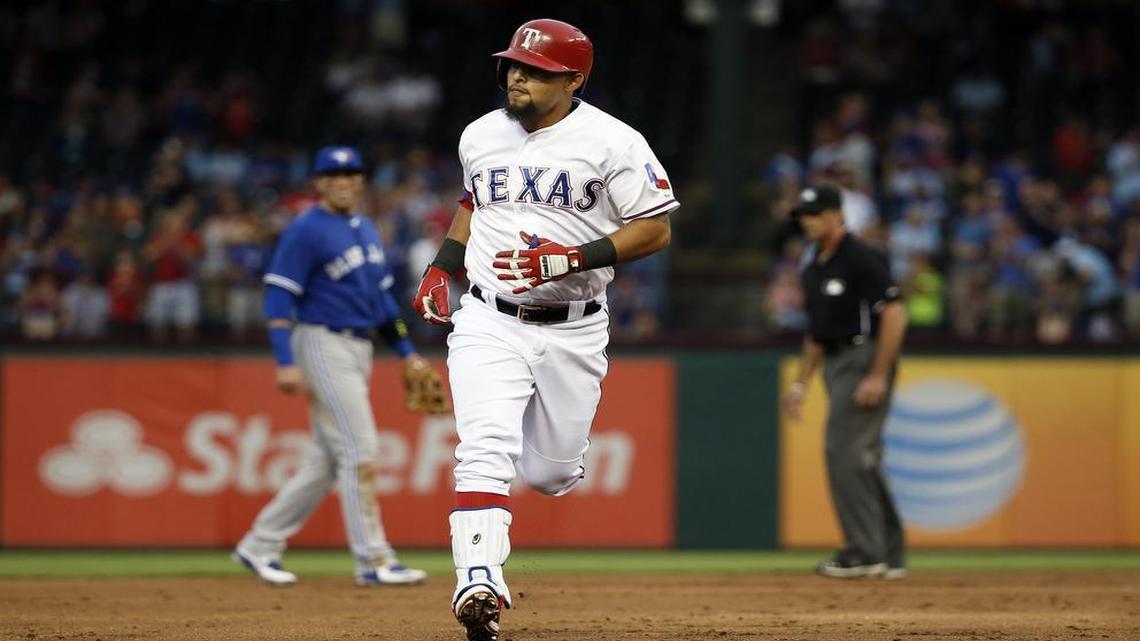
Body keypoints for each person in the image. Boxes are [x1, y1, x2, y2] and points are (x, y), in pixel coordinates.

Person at [413, 19, 677, 641]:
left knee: (552, 474)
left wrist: (571, 258)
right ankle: (477, 580)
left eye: (535, 70)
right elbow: (474, 203)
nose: (517, 76)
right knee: (483, 449)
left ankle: (522, 507)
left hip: (574, 327)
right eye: (512, 65)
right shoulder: (480, 134)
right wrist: (441, 267)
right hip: (487, 316)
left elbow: (656, 228)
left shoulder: (614, 141)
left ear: (574, 80)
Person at [232, 146, 437, 587]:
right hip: (322, 341)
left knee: (326, 461)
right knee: (360, 450)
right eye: (333, 174)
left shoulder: (365, 227)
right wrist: (285, 361)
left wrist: (406, 353)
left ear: (361, 181)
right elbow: (278, 295)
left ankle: (259, 544)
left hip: (359, 347)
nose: (343, 181)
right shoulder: (306, 230)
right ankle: (374, 559)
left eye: (351, 174)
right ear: (319, 182)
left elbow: (382, 300)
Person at [781, 183, 909, 580]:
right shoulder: (813, 265)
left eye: (816, 213)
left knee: (845, 453)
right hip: (835, 360)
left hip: (862, 355)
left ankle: (865, 551)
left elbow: (894, 312)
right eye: (803, 215)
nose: (808, 221)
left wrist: (877, 374)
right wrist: (801, 384)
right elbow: (817, 333)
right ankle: (887, 552)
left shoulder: (860, 256)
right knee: (863, 458)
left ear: (838, 215)